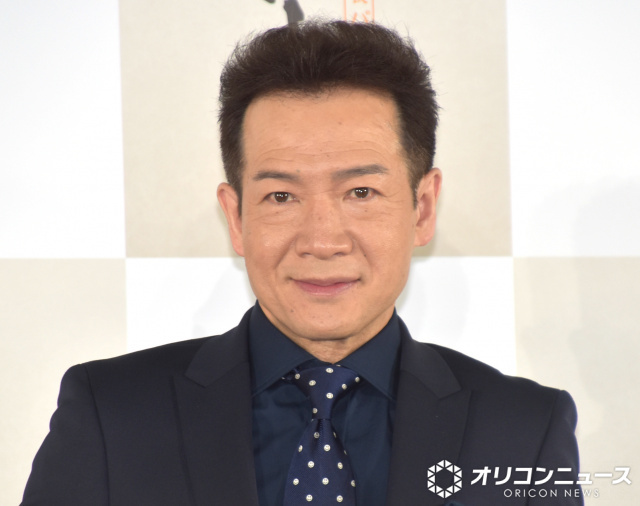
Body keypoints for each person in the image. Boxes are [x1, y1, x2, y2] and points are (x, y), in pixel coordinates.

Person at [22, 21, 581, 506]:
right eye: (281, 196)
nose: (321, 240)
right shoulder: (111, 414)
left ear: (423, 208)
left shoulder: (524, 429)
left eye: (360, 192)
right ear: (236, 216)